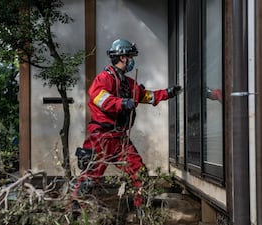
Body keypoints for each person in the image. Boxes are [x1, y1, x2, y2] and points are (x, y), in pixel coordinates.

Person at [72, 38, 182, 211]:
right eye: (130, 56)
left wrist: (168, 93)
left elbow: (145, 96)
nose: (132, 60)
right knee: (90, 177)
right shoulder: (104, 78)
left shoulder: (128, 83)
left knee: (140, 173)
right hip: (102, 137)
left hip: (120, 139)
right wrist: (122, 103)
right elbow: (99, 98)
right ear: (123, 57)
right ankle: (74, 212)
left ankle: (142, 210)